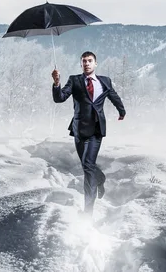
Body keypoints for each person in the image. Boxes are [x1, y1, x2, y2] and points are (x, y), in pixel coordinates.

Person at [51, 51, 126, 216]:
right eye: (84, 61)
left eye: (89, 61)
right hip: (79, 130)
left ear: (95, 63)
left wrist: (121, 111)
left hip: (96, 130)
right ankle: (100, 179)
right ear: (81, 64)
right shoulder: (74, 80)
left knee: (87, 166)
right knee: (88, 166)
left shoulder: (104, 81)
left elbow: (113, 96)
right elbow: (60, 98)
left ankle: (88, 212)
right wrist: (56, 82)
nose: (86, 63)